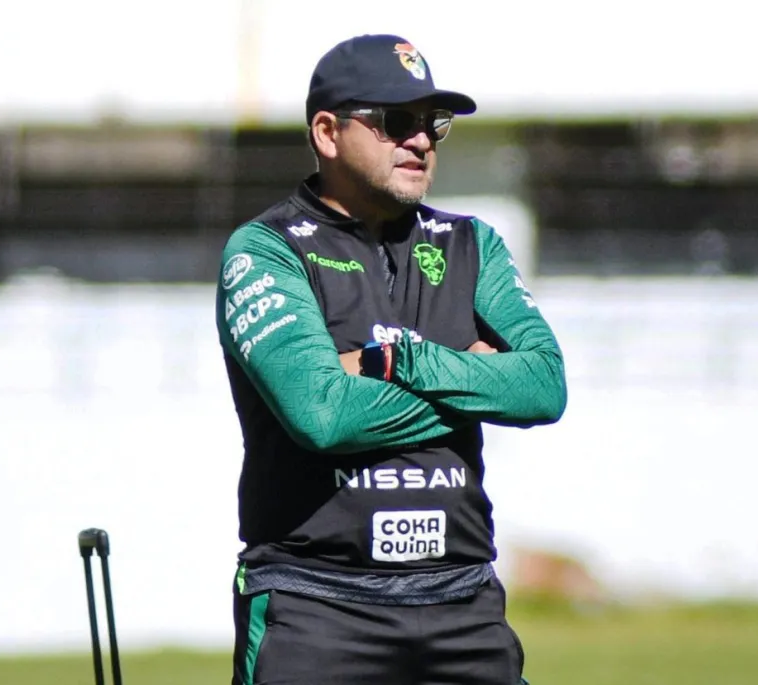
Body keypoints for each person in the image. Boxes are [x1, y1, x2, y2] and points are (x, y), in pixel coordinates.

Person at [215, 33, 568, 685]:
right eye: (396, 121)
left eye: (434, 122)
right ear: (327, 132)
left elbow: (543, 386)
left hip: (463, 603)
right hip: (317, 606)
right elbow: (322, 413)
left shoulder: (472, 244)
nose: (422, 139)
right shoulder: (265, 250)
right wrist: (473, 375)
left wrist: (399, 360)